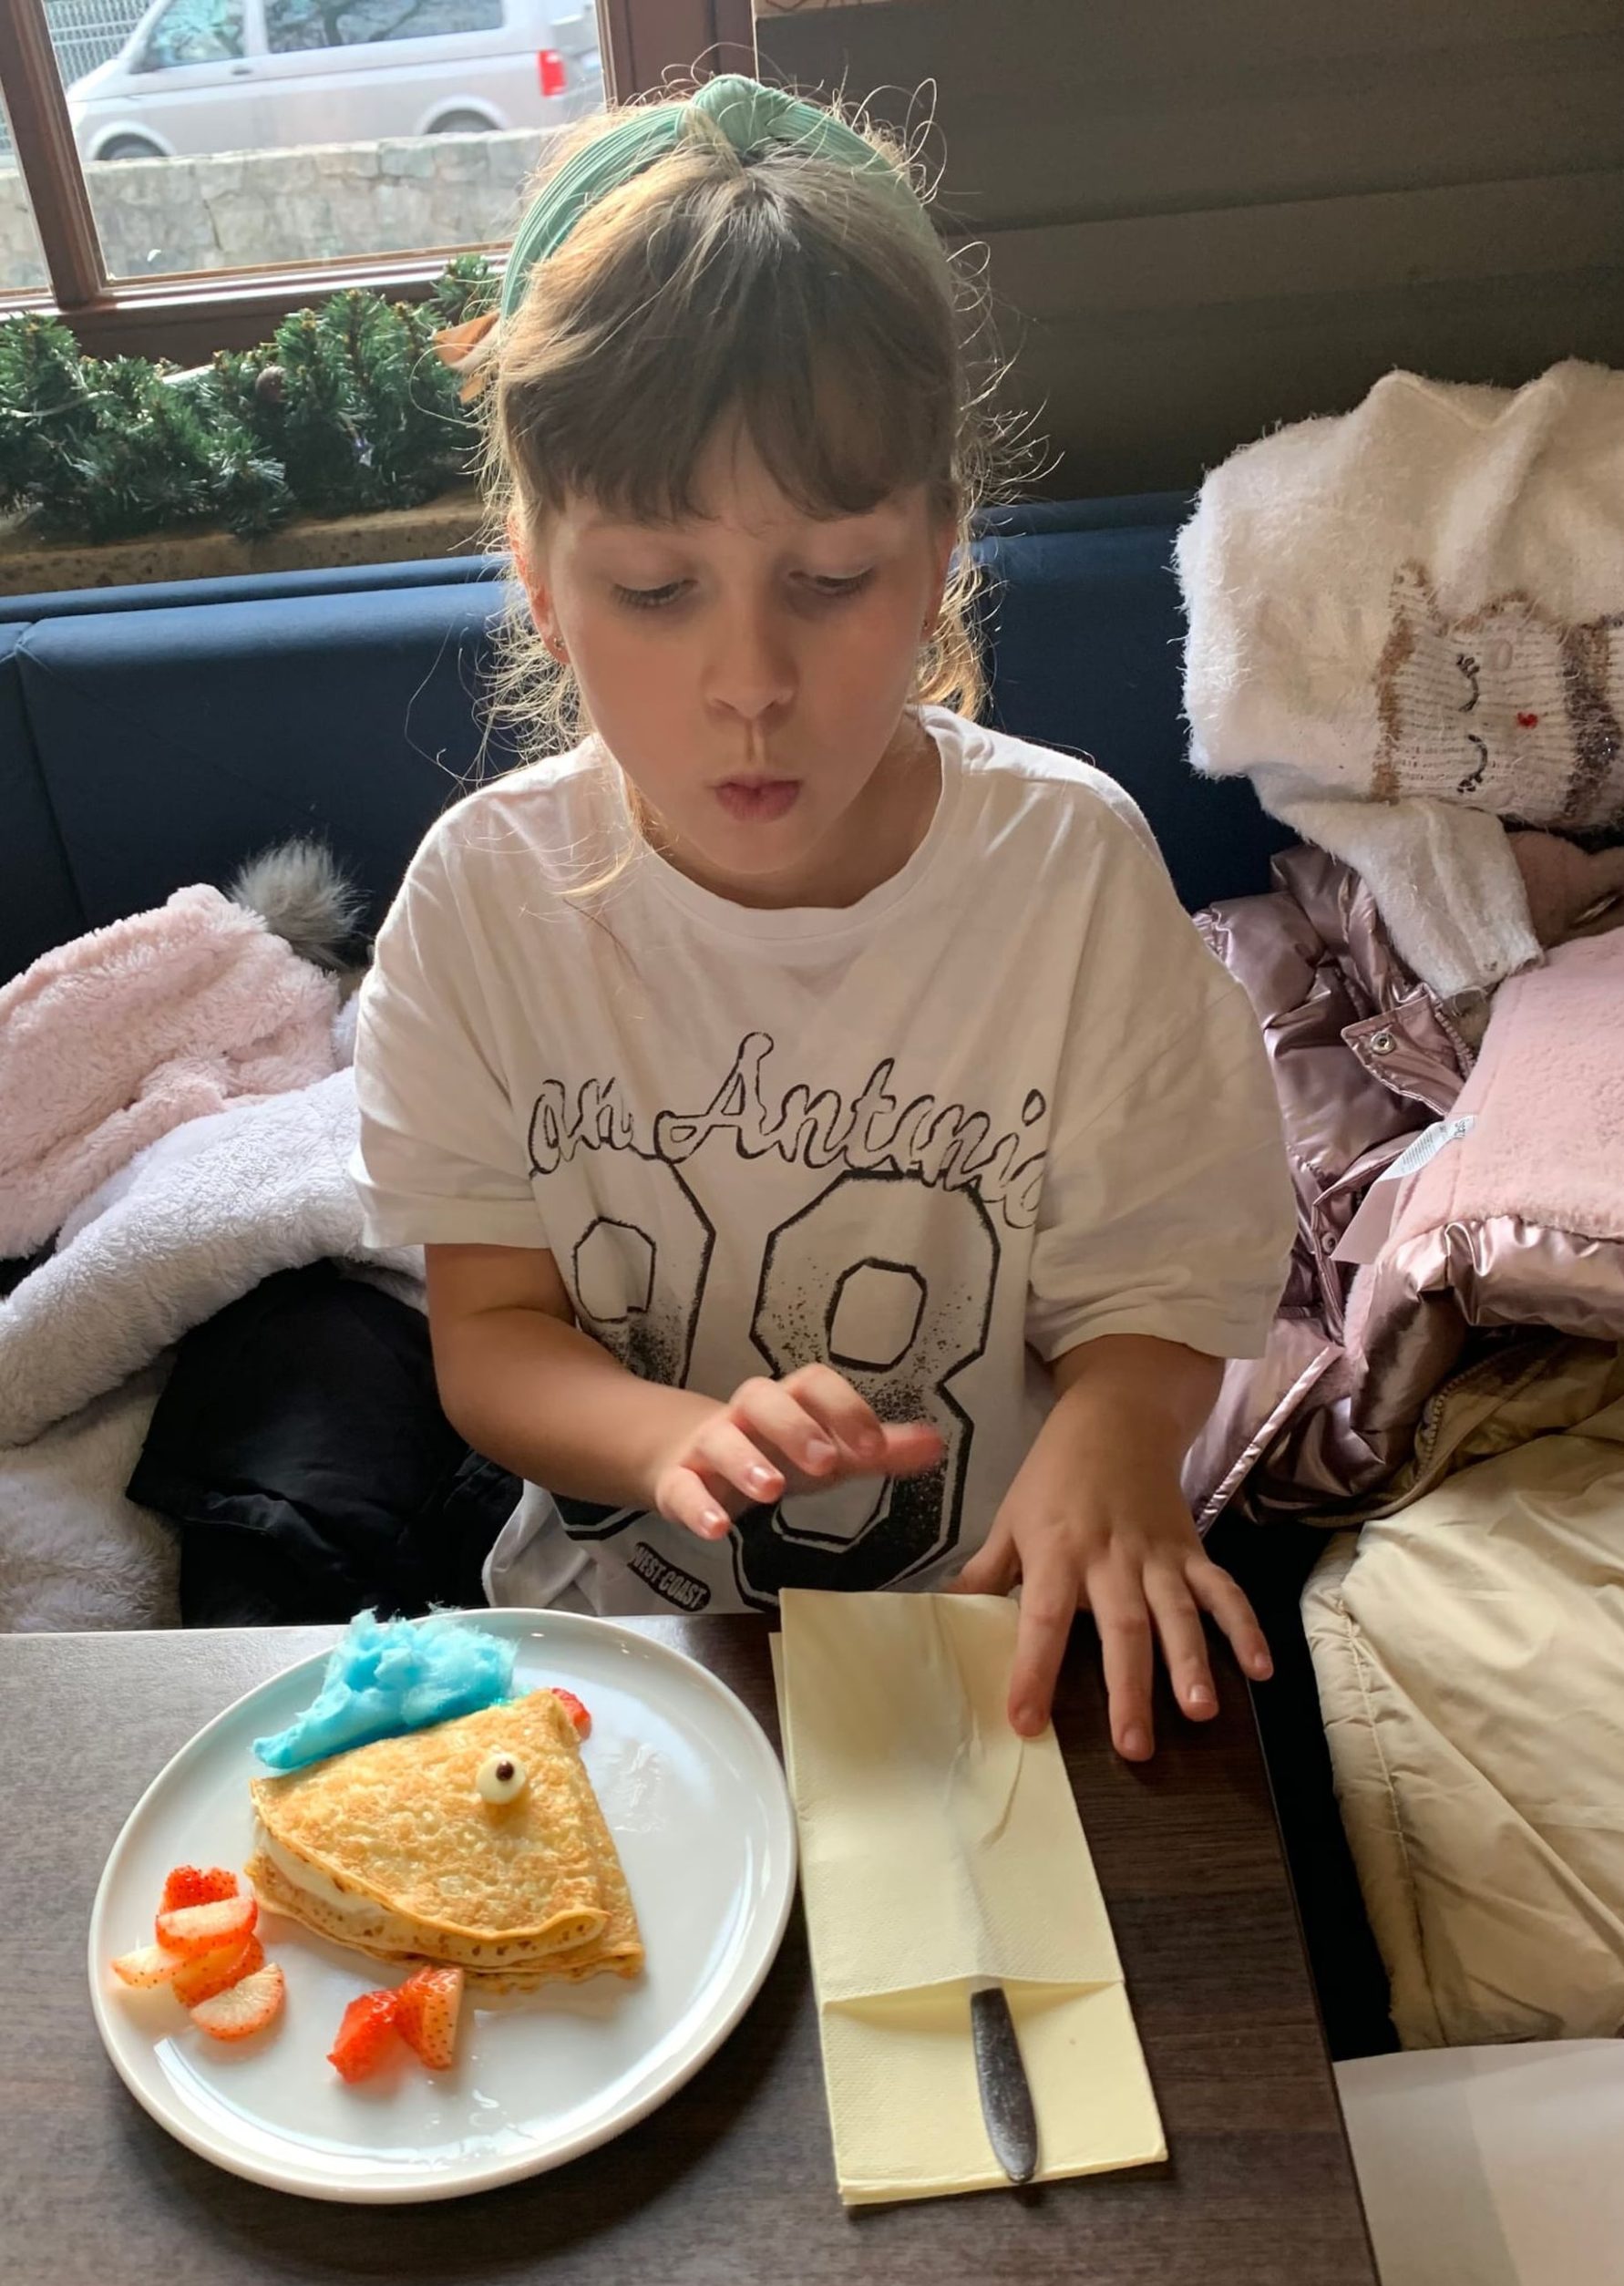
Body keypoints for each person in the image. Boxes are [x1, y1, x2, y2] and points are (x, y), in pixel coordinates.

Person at [352, 74, 1294, 1760]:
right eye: (656, 590)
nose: (752, 683)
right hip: (630, 1661)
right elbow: (491, 1338)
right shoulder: (483, 903)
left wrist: (1116, 1441)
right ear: (541, 587)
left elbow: (1163, 1292)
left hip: (997, 1635)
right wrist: (665, 1436)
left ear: (938, 557)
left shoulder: (1068, 873)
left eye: (833, 578)